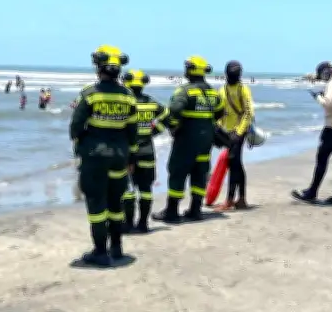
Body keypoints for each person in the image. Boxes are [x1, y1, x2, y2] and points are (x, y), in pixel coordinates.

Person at [69, 45, 138, 267]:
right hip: (120, 157)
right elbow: (132, 131)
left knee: (96, 203)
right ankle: (116, 248)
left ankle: (100, 251)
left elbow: (75, 127)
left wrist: (80, 144)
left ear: (99, 67)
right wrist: (131, 158)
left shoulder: (90, 94)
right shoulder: (128, 96)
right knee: (115, 202)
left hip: (95, 157)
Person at [154, 55, 225, 223]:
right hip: (205, 142)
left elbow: (174, 111)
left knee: (178, 172)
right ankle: (195, 210)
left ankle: (172, 212)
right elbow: (220, 111)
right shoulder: (212, 93)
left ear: (191, 70)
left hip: (186, 141)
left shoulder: (185, 91)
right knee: (200, 173)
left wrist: (172, 126)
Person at [292, 61, 332, 205]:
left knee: (322, 159)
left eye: (322, 75)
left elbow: (328, 104)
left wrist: (317, 97)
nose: (323, 78)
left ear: (326, 72)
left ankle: (312, 192)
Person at [121, 69, 170, 233]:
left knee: (128, 189)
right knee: (146, 189)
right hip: (148, 150)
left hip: (128, 152)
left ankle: (128, 224)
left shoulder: (125, 102)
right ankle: (143, 224)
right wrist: (154, 131)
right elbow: (167, 115)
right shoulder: (151, 102)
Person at [215, 60, 255, 211]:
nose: (234, 75)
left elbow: (249, 112)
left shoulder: (243, 89)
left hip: (239, 132)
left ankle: (230, 200)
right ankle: (241, 199)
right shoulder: (222, 90)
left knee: (233, 162)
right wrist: (218, 129)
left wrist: (239, 132)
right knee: (236, 163)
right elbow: (220, 112)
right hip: (226, 132)